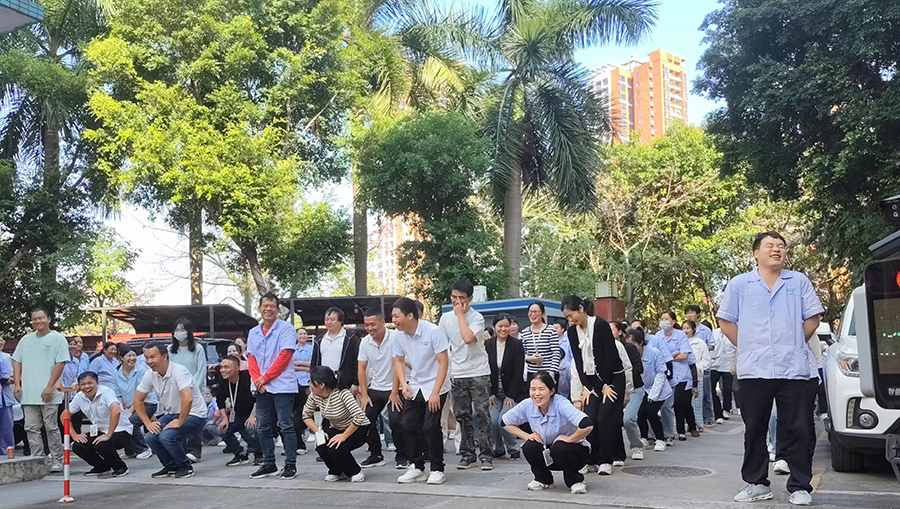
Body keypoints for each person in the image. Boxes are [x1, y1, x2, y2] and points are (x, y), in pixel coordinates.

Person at [717, 231, 824, 506]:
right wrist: (750, 345)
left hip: (795, 369)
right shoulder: (740, 284)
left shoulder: (798, 281)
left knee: (799, 429)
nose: (776, 249)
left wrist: (792, 341)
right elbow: (726, 321)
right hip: (755, 369)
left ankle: (800, 486)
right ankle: (756, 484)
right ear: (756, 253)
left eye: (781, 246)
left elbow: (813, 318)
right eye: (769, 246)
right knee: (755, 428)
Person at [562, 296, 625, 476]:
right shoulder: (572, 332)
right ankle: (591, 459)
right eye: (567, 317)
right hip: (591, 381)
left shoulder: (600, 325)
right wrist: (587, 387)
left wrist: (606, 384)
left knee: (605, 418)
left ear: (581, 309)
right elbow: (579, 361)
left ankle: (606, 460)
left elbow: (611, 357)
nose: (570, 320)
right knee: (589, 418)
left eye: (571, 315)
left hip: (612, 378)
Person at [391, 297, 451, 485]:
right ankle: (417, 467)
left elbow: (444, 363)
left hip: (436, 384)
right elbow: (398, 360)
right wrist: (403, 383)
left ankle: (437, 469)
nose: (393, 320)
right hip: (415, 384)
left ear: (410, 316)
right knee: (407, 424)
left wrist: (435, 392)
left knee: (430, 426)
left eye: (396, 316)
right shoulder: (398, 335)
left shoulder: (433, 331)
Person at [502, 371, 593, 494]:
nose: (537, 393)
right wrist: (527, 436)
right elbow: (504, 422)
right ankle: (543, 479)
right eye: (533, 389)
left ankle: (575, 481)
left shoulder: (561, 403)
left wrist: (570, 439)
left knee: (560, 446)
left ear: (551, 391)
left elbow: (587, 425)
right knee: (529, 445)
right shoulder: (527, 404)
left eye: (541, 389)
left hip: (573, 452)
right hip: (548, 451)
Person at [438, 279, 493, 471]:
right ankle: (468, 455)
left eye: (461, 298)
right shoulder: (445, 319)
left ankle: (486, 455)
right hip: (457, 373)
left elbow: (468, 338)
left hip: (478, 371)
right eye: (454, 297)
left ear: (469, 298)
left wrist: (461, 315)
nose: (457, 301)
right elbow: (442, 347)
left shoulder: (476, 317)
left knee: (482, 415)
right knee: (462, 416)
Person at [134, 342, 207, 479]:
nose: (149, 361)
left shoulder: (179, 371)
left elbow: (188, 399)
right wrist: (147, 423)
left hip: (195, 413)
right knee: (151, 437)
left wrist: (179, 421)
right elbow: (137, 400)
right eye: (146, 358)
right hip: (173, 413)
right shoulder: (150, 374)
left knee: (166, 436)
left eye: (153, 357)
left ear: (164, 356)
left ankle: (185, 466)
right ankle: (171, 466)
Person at [247, 292, 299, 480]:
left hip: (282, 385)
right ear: (259, 308)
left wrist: (265, 377)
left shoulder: (286, 328)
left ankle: (290, 464)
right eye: (265, 306)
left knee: (285, 425)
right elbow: (251, 357)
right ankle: (269, 463)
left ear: (277, 309)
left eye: (272, 306)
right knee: (262, 427)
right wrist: (257, 379)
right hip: (261, 386)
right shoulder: (253, 332)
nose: (268, 309)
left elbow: (285, 356)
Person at [12, 308, 68, 472]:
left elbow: (60, 363)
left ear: (48, 319)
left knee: (51, 427)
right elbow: (17, 362)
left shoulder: (58, 338)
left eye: (41, 318)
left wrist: (50, 386)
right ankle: (37, 460)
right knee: (31, 428)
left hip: (49, 393)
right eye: (35, 319)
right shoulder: (26, 340)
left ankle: (57, 459)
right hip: (28, 393)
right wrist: (17, 384)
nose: (38, 321)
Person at [358, 308, 406, 469]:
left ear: (383, 322)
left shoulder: (396, 337)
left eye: (373, 324)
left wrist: (395, 392)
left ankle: (402, 455)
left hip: (396, 387)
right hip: (376, 387)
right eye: (366, 325)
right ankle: (375, 455)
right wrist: (364, 394)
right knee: (365, 419)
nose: (370, 328)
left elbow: (398, 364)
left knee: (395, 420)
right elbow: (361, 369)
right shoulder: (365, 342)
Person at [303, 366, 370, 482]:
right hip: (337, 428)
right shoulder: (314, 395)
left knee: (336, 447)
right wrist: (318, 432)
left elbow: (360, 416)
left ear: (321, 385)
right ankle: (336, 471)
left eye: (311, 382)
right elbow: (306, 415)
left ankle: (355, 471)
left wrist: (343, 436)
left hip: (357, 428)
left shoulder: (343, 394)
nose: (309, 385)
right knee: (321, 445)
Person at [69, 371, 133, 476]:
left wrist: (108, 434)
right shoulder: (79, 397)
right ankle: (101, 466)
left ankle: (120, 467)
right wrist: (74, 434)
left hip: (120, 430)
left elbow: (116, 411)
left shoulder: (107, 392)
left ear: (97, 383)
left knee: (102, 445)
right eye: (83, 384)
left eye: (90, 383)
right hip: (99, 431)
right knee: (78, 446)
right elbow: (64, 416)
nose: (87, 387)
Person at [485, 314, 526, 460]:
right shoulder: (487, 345)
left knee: (504, 419)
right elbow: (485, 371)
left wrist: (511, 396)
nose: (503, 329)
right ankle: (499, 449)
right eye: (500, 326)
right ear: (495, 327)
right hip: (495, 393)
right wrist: (490, 393)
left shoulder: (517, 344)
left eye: (506, 326)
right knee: (493, 421)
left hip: (511, 392)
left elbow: (518, 372)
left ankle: (513, 449)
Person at [650, 312, 696, 442]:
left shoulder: (680, 335)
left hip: (681, 375)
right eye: (662, 318)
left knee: (678, 403)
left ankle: (680, 431)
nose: (663, 321)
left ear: (673, 321)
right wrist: (673, 355)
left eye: (666, 319)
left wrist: (668, 358)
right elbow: (656, 355)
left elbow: (685, 355)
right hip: (664, 374)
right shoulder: (657, 336)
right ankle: (667, 432)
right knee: (665, 406)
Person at [168, 318, 208, 462]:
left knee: (193, 418)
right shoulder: (170, 350)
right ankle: (180, 450)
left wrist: (191, 387)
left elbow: (200, 370)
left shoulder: (198, 348)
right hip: (176, 390)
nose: (179, 332)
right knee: (178, 419)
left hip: (193, 390)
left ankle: (194, 451)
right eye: (177, 329)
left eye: (182, 329)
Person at [629, 329, 672, 453]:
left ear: (641, 343)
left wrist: (654, 394)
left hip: (659, 388)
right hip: (642, 388)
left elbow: (661, 374)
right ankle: (644, 437)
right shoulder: (629, 355)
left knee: (651, 412)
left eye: (634, 344)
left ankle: (660, 439)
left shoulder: (654, 353)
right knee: (640, 412)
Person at [216, 355, 260, 467]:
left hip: (254, 411)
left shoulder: (247, 377)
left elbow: (258, 398)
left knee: (251, 428)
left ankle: (260, 455)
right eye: (221, 367)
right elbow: (220, 401)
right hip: (238, 412)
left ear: (237, 369)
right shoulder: (223, 380)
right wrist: (224, 419)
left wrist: (253, 415)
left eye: (226, 367)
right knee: (223, 429)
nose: (223, 370)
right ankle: (239, 454)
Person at [115, 345, 155, 460]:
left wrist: (129, 411)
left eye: (134, 355)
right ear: (121, 358)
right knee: (122, 421)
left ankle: (144, 449)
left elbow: (140, 394)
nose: (132, 358)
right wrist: (122, 410)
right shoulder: (117, 372)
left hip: (146, 403)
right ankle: (130, 450)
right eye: (129, 356)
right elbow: (118, 393)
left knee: (131, 422)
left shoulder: (142, 371)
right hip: (128, 405)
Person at [311, 307, 360, 392]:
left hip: (344, 384)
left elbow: (357, 361)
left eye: (332, 319)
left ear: (340, 321)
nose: (329, 322)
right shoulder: (319, 340)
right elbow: (314, 361)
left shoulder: (351, 338)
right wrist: (312, 380)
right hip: (323, 384)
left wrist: (356, 383)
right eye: (327, 319)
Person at [686, 306, 716, 427]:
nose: (689, 315)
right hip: (687, 371)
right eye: (687, 313)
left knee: (706, 394)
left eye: (691, 313)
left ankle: (708, 417)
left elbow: (712, 345)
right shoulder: (682, 337)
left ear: (698, 315)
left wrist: (701, 348)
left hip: (702, 367)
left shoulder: (705, 330)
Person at [619, 326, 645, 460]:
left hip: (634, 388)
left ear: (619, 332)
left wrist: (623, 378)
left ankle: (637, 446)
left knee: (628, 419)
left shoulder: (630, 348)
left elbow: (639, 368)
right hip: (614, 390)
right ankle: (616, 452)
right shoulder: (604, 349)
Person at [520, 302, 561, 382]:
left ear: (542, 313)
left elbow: (556, 352)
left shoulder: (551, 330)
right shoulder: (525, 332)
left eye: (536, 311)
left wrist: (552, 372)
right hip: (532, 373)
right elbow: (522, 353)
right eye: (531, 312)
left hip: (548, 372)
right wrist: (529, 358)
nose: (533, 314)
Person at [292, 329, 313, 456]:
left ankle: (308, 429)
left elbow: (313, 365)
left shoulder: (311, 349)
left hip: (307, 383)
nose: (302, 336)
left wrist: (299, 364)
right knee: (296, 412)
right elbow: (290, 365)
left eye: (304, 333)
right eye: (300, 334)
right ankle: (300, 434)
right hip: (294, 384)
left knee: (306, 409)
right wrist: (304, 366)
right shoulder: (292, 349)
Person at [710, 325, 736, 424]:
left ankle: (726, 409)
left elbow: (737, 349)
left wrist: (735, 365)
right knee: (711, 388)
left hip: (728, 364)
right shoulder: (714, 333)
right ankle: (716, 409)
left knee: (727, 388)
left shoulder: (733, 332)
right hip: (715, 364)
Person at [553, 323, 573, 400]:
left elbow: (572, 357)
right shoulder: (550, 340)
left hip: (566, 368)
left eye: (556, 328)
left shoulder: (568, 341)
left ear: (562, 329)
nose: (554, 330)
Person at [0, 351, 15, 454]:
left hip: (5, 396)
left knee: (6, 426)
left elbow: (11, 375)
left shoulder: (5, 357)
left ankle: (7, 451)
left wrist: (8, 379)